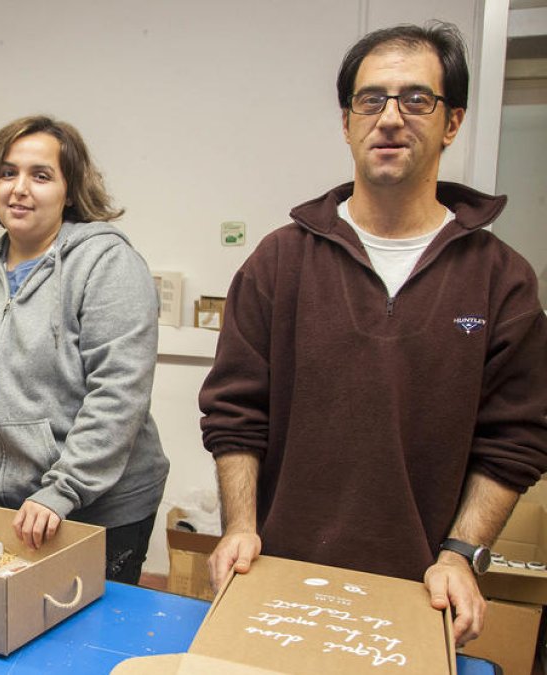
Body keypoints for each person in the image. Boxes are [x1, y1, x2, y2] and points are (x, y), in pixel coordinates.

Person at [199, 22, 547, 645]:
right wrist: (240, 527)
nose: (390, 118)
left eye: (416, 99)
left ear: (452, 122)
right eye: (370, 100)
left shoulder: (502, 280)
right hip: (275, 576)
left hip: (420, 593)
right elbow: (235, 413)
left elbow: (514, 440)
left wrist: (461, 555)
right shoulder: (279, 261)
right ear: (347, 122)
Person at [0, 116, 170, 584]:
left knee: (77, 629)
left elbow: (119, 394)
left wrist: (63, 490)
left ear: (69, 190)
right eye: (7, 173)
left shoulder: (108, 265)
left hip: (93, 510)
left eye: (40, 175)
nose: (19, 188)